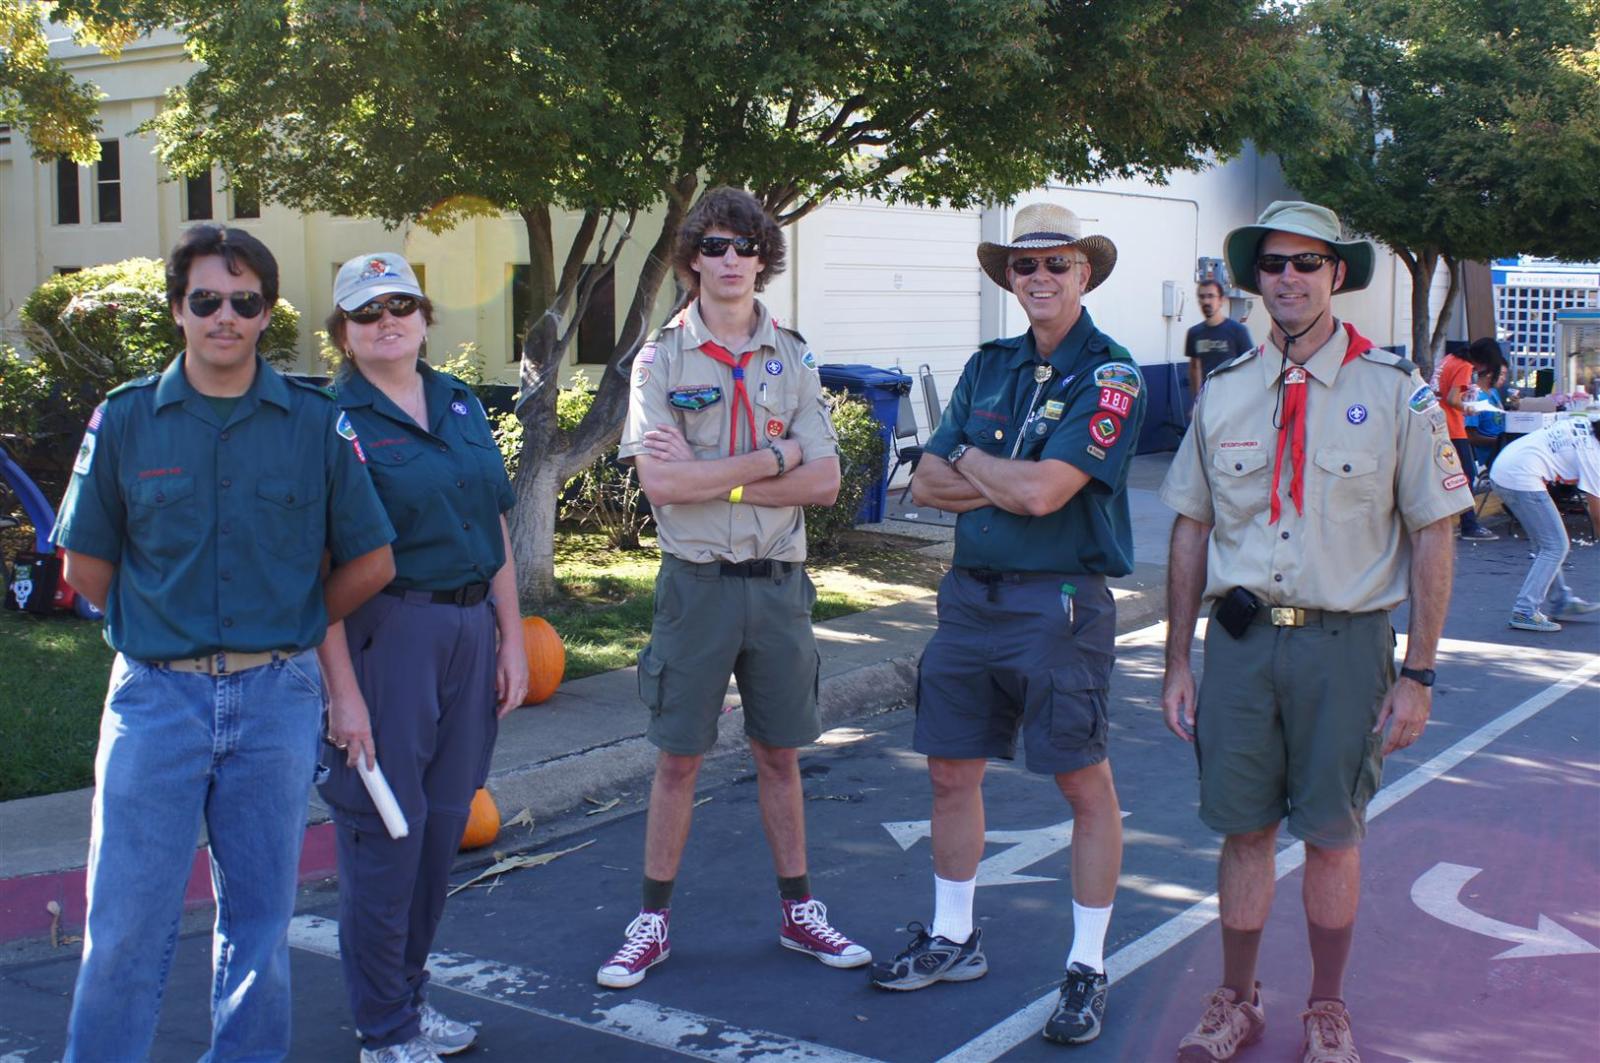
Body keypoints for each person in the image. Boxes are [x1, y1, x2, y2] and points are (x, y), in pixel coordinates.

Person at [51, 225, 397, 1061]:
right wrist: (161, 626)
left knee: (260, 925)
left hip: (276, 699)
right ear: (178, 308)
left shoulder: (314, 423)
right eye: (206, 299)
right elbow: (85, 564)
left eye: (245, 301)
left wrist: (297, 623)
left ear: (267, 312)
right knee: (124, 924)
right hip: (156, 699)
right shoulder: (127, 419)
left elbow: (372, 560)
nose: (225, 317)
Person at [1159, 201, 1471, 1063]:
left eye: (1306, 263)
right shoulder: (1226, 390)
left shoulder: (1395, 390)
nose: (1288, 278)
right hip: (1242, 646)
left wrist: (1420, 671)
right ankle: (1237, 1000)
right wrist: (1177, 659)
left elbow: (1435, 529)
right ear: (1255, 278)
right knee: (1244, 828)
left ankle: (1327, 1009)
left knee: (1333, 833)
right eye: (1273, 264)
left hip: (1346, 645)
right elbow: (1191, 526)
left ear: (1337, 273)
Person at [870, 202, 1144, 1048]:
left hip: (1058, 603)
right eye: (1026, 265)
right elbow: (921, 485)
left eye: (1058, 263)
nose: (1041, 277)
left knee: (1082, 782)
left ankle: (1086, 965)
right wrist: (1000, 474)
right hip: (970, 597)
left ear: (1084, 272)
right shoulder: (989, 366)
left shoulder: (1112, 374)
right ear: (1010, 277)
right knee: (950, 772)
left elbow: (1043, 493)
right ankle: (954, 935)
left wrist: (970, 460)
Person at [598, 186, 868, 989]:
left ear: (763, 258)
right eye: (713, 246)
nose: (730, 260)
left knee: (780, 755)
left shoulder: (794, 354)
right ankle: (651, 921)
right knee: (678, 758)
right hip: (697, 586)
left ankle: (799, 911)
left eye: (745, 246)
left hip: (778, 586)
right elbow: (663, 484)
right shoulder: (660, 360)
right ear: (691, 259)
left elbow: (825, 481)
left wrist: (727, 476)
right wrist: (775, 458)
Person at [313, 253, 527, 1063]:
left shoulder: (460, 402)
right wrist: (343, 692)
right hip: (387, 635)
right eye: (366, 312)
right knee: (385, 834)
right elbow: (316, 572)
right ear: (343, 332)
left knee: (439, 830)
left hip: (470, 630)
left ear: (425, 317)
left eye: (400, 304)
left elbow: (493, 520)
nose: (387, 321)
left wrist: (511, 635)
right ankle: (384, 1029)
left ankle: (408, 995)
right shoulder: (331, 423)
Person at [1488, 410, 1600, 632]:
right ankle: (1524, 611)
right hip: (1521, 477)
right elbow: (1597, 514)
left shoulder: (1585, 423)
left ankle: (1561, 601)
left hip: (1506, 469)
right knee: (1555, 546)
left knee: (1546, 545)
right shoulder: (1593, 455)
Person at [1434, 337, 1506, 540]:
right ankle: (1469, 525)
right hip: (1451, 426)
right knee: (1466, 475)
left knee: (1442, 476)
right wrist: (1468, 408)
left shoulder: (1450, 358)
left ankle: (1451, 522)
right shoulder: (1465, 366)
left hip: (1436, 423)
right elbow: (1452, 399)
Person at [1187, 278, 1254, 410]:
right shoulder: (1194, 333)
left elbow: (1250, 367)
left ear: (1221, 300)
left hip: (1233, 403)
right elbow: (1194, 367)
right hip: (1207, 404)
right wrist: (1197, 402)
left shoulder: (1238, 331)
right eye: (1202, 297)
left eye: (1211, 296)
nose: (1206, 301)